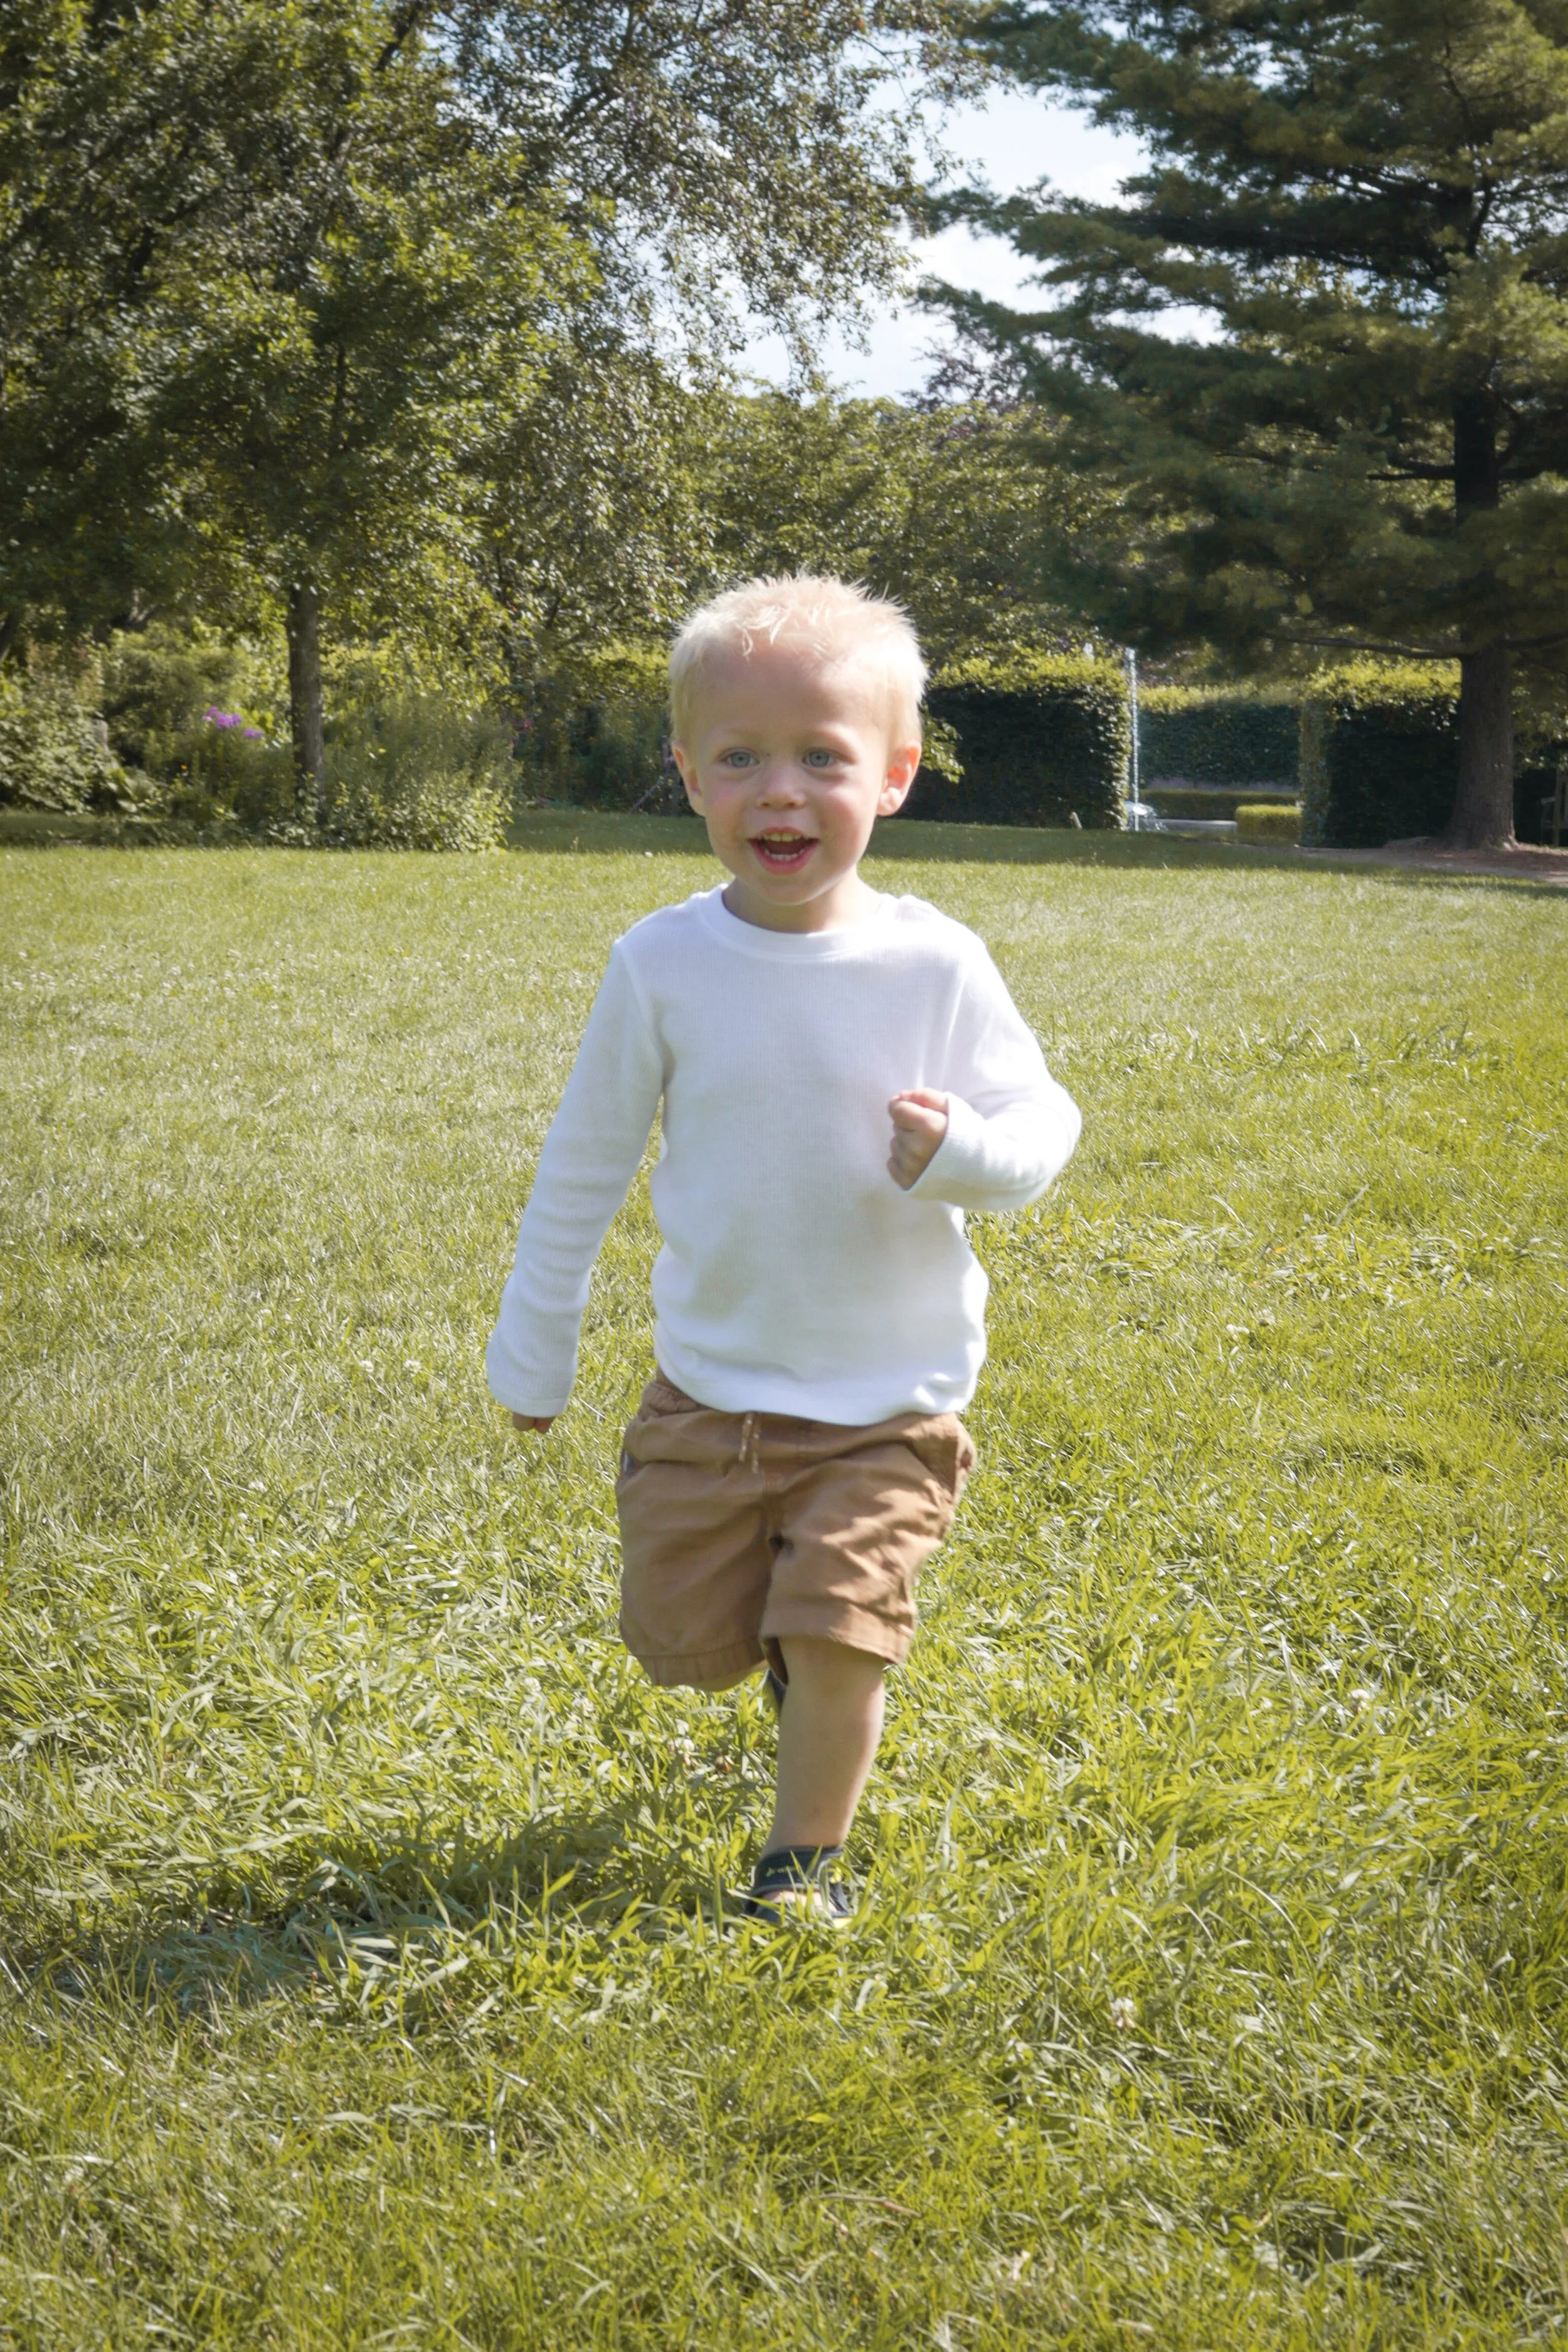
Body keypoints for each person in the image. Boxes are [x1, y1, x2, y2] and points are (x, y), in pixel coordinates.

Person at [487, 576, 1081, 1920]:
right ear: (687, 774)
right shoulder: (659, 964)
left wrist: (968, 1156)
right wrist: (535, 1354)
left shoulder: (935, 964)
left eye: (823, 756)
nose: (781, 792)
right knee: (683, 1644)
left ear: (894, 779)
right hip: (712, 1392)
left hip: (889, 1404)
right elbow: (582, 1169)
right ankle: (770, 1649)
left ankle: (796, 1865)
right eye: (741, 757)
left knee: (836, 1632)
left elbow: (1041, 1123)